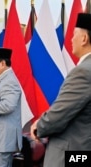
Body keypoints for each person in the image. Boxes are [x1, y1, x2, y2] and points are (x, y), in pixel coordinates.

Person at [30, 13, 91, 167]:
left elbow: (60, 113)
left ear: (84, 39)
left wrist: (39, 126)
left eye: (74, 34)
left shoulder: (83, 72)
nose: (71, 39)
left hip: (72, 152)